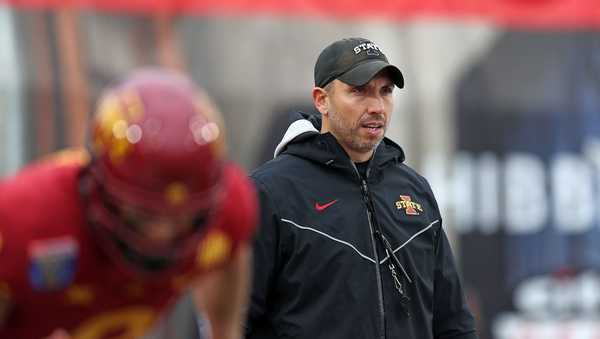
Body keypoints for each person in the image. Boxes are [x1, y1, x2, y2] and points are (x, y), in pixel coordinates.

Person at [245, 37, 479, 339]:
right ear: (321, 99)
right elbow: (234, 319)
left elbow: (453, 323)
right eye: (359, 91)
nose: (377, 107)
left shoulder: (415, 191)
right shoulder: (271, 192)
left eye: (386, 91)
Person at [0, 68, 257, 339]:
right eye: (145, 213)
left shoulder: (230, 208)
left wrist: (224, 331)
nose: (163, 234)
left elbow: (229, 252)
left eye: (183, 216)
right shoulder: (24, 222)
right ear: (99, 182)